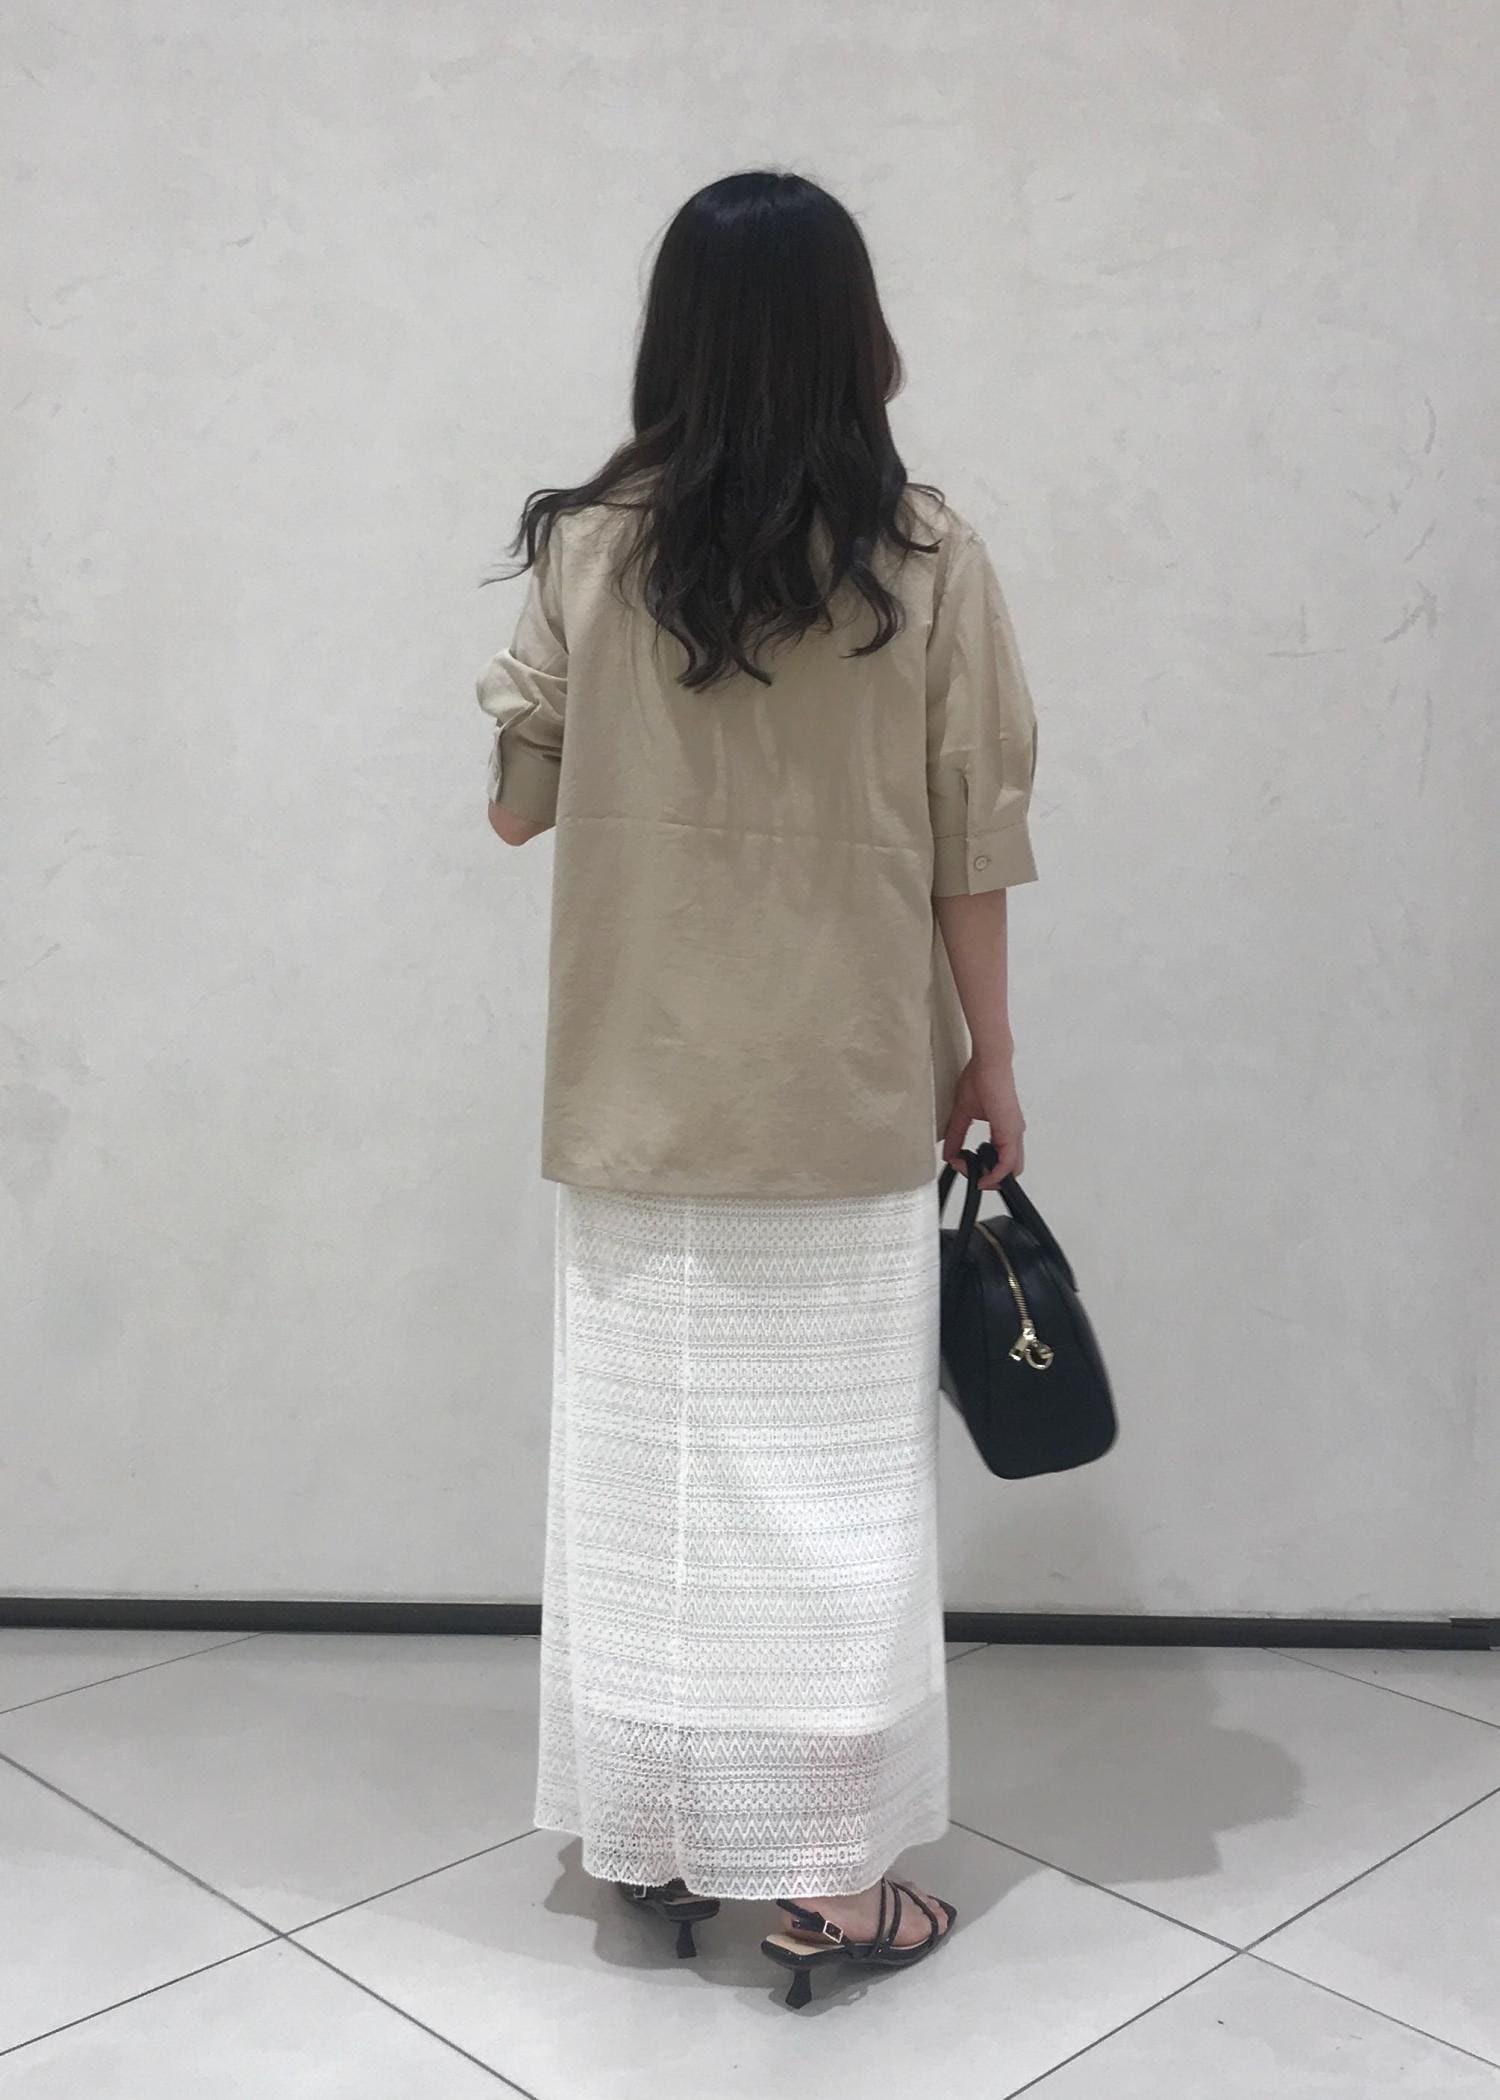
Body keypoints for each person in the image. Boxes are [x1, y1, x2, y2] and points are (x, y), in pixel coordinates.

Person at [476, 168, 1039, 2008]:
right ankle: (826, 1882)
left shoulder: (588, 547)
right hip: (846, 1094)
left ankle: (648, 1837)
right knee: (836, 1505)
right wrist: (992, 1057)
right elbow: (973, 843)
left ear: (679, 341)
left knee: (648, 1487)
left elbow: (517, 806)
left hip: (637, 1095)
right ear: (853, 336)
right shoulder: (929, 556)